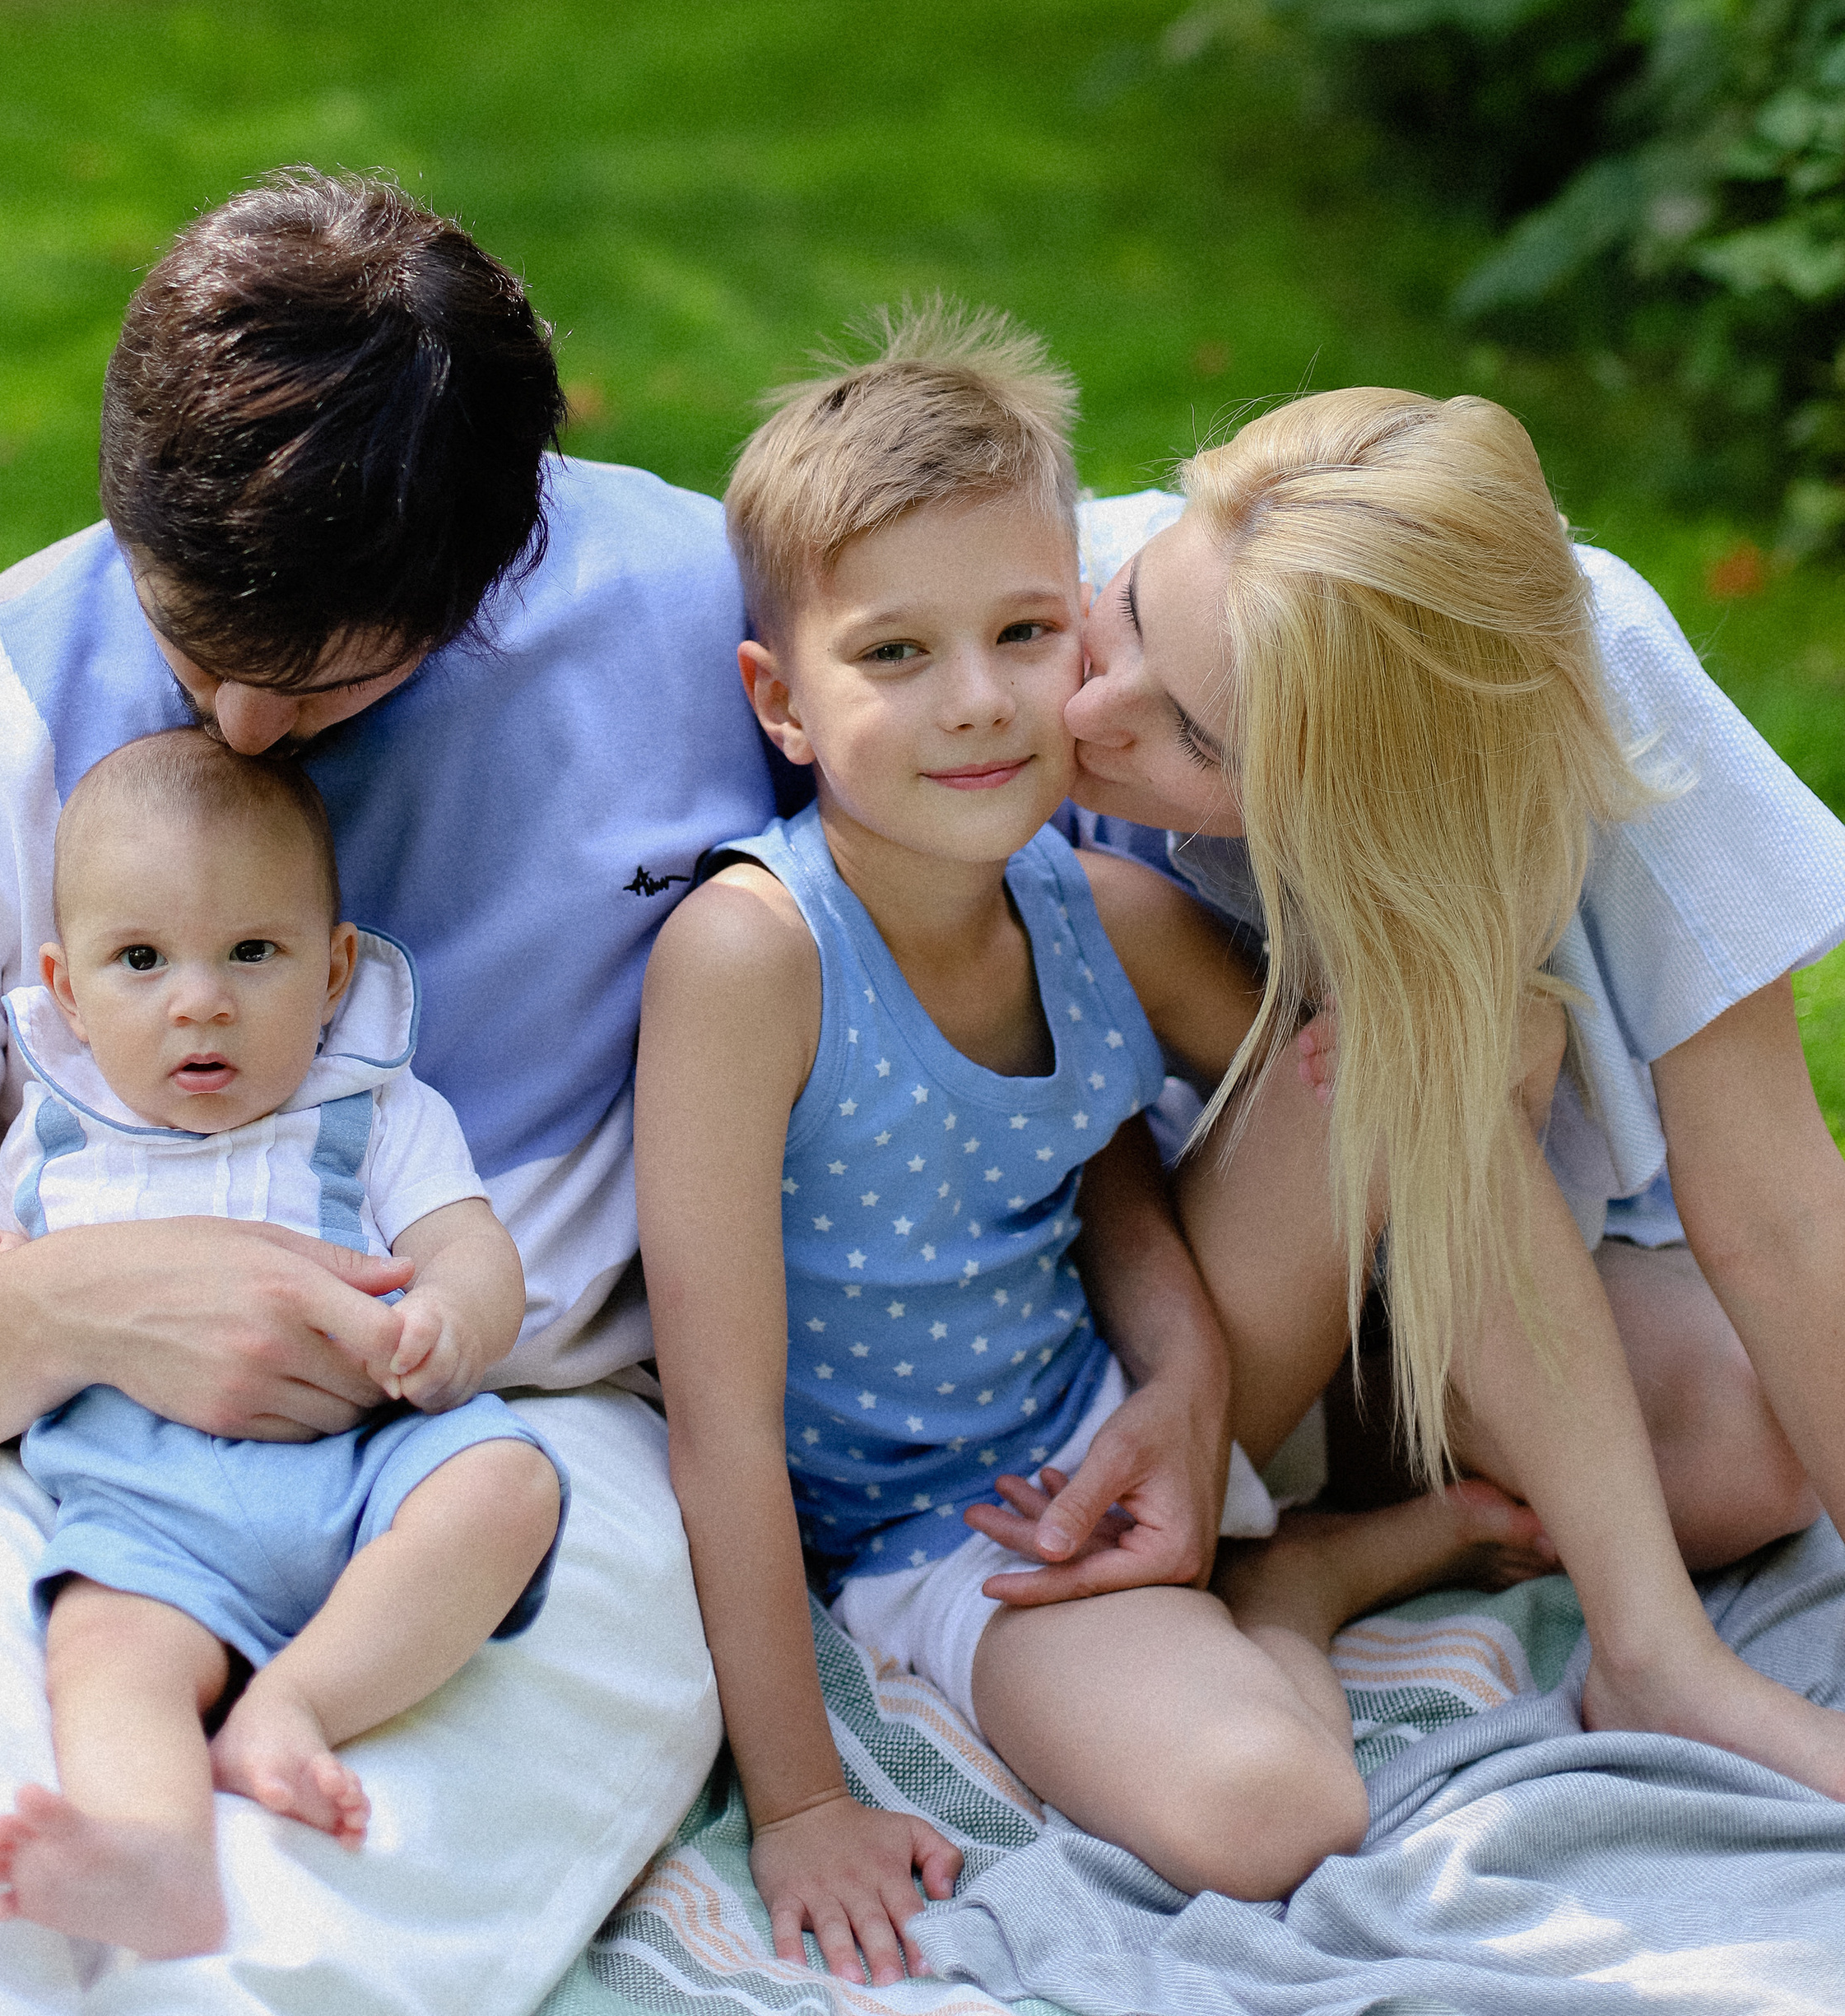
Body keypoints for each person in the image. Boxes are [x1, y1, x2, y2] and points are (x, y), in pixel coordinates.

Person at [0, 172, 773, 2013]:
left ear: (495, 565)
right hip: (48, 1441)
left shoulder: (718, 625)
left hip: (517, 1442)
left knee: (342, 1889)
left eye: (315, 687)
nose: (230, 734)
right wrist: (77, 1307)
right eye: (187, 645)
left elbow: (1092, 615)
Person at [636, 318, 1553, 1989]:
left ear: (1080, 619)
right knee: (1270, 1809)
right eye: (894, 656)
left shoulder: (1096, 911)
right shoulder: (751, 959)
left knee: (1451, 1042)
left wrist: (1184, 1366)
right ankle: (1294, 1588)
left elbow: (1211, 1126)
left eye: (1020, 631)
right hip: (961, 1533)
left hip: (1126, 1419)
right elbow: (718, 1417)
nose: (978, 702)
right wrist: (795, 1804)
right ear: (779, 702)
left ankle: (1328, 1507)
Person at [981, 388, 1845, 1774]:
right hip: (1128, 1344)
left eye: (1198, 742)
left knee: (1742, 1447)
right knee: (1415, 1048)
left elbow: (1781, 1205)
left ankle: (1335, 1550)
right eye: (1134, 606)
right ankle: (1653, 1658)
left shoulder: (1571, 677)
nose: (1089, 706)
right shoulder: (1006, 616)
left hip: (1420, 1315)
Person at [0, 729, 566, 1961]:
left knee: (507, 1486)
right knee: (107, 1649)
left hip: (365, 1458)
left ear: (334, 969)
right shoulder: (61, 1136)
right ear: (68, 990)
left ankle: (291, 1704)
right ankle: (155, 1855)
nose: (201, 999)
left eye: (252, 952)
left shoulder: (371, 1106)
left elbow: (471, 1246)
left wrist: (455, 1321)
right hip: (152, 1504)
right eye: (142, 960)